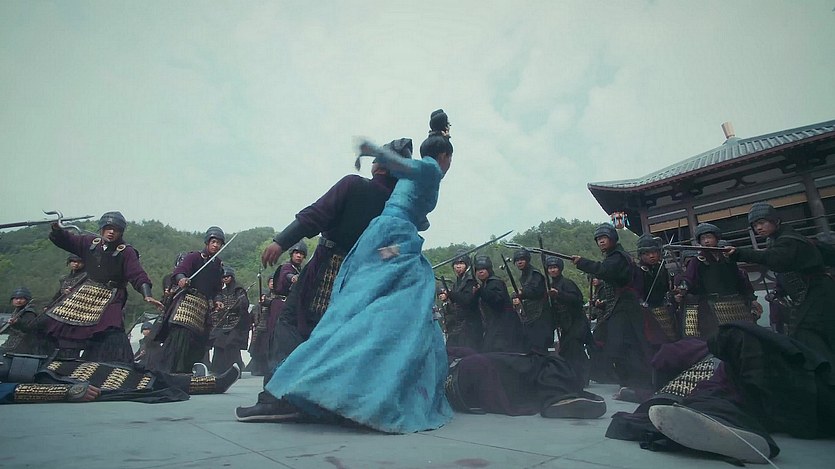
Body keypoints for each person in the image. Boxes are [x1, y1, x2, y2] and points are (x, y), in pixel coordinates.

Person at [262, 113, 455, 433]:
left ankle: (283, 392)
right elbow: (414, 213)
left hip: (359, 258)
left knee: (310, 324)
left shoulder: (371, 185)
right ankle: (333, 392)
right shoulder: (419, 177)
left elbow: (317, 215)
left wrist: (282, 240)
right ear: (445, 156)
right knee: (370, 324)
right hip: (384, 251)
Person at [235, 136, 410, 422]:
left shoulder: (355, 186)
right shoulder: (398, 211)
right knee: (334, 339)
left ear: (380, 166)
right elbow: (394, 251)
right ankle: (318, 400)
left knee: (291, 324)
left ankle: (277, 398)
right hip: (363, 282)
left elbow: (315, 215)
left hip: (328, 269)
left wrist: (282, 241)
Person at [44, 211, 163, 363]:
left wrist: (147, 294)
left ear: (121, 232)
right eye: (108, 228)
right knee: (61, 323)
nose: (111, 232)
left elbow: (137, 274)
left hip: (112, 295)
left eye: (116, 229)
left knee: (110, 329)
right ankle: (64, 361)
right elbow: (67, 240)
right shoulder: (89, 242)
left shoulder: (127, 252)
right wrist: (56, 229)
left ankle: (111, 365)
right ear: (101, 228)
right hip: (86, 292)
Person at [727, 202, 835, 364]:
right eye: (755, 225)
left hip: (819, 293)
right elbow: (785, 272)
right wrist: (779, 291)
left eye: (762, 222)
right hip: (810, 295)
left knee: (811, 334)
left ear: (776, 221)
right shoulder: (778, 241)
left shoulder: (789, 240)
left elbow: (775, 259)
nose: (758, 228)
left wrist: (740, 253)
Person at [571, 223, 653, 402]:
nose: (601, 242)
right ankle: (629, 384)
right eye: (598, 239)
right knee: (621, 346)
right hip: (622, 306)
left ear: (613, 239)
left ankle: (635, 385)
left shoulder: (618, 257)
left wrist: (582, 262)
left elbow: (604, 270)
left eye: (604, 238)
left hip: (626, 307)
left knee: (624, 346)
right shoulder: (617, 257)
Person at [0, 353, 241, 404]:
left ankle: (211, 383)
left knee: (136, 372)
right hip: (42, 379)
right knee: (134, 385)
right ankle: (211, 384)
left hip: (52, 363)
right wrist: (65, 392)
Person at [445, 346, 606, 419]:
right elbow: (464, 351)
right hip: (465, 370)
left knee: (519, 376)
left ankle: (556, 397)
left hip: (459, 386)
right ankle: (555, 397)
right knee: (534, 364)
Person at [157, 226, 225, 373]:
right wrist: (182, 279)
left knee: (196, 343)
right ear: (207, 242)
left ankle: (187, 372)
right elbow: (179, 272)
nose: (216, 245)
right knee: (180, 338)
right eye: (213, 242)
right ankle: (170, 370)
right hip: (187, 303)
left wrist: (218, 300)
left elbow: (217, 289)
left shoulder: (218, 265)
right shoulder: (193, 257)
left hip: (202, 308)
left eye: (219, 243)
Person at [680, 223, 758, 338]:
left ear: (716, 238)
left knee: (745, 334)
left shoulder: (728, 258)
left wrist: (751, 299)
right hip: (713, 305)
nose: (706, 241)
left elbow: (741, 280)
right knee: (722, 337)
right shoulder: (697, 261)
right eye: (703, 238)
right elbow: (689, 278)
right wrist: (683, 287)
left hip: (737, 303)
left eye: (709, 237)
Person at [544, 256, 590, 386]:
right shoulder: (551, 285)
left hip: (576, 321)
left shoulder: (567, 283)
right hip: (565, 324)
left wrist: (559, 295)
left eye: (555, 267)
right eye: (550, 268)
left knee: (576, 350)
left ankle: (582, 379)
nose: (552, 270)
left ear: (560, 269)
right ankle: (572, 378)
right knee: (566, 351)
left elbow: (577, 300)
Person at [474, 255, 525, 353]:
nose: (480, 272)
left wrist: (481, 291)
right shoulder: (485, 284)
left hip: (505, 326)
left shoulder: (495, 282)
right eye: (478, 270)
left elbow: (497, 301)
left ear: (489, 269)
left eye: (483, 269)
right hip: (494, 324)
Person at [634, 234, 678, 345]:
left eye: (654, 252)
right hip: (646, 310)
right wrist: (640, 302)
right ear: (641, 255)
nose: (652, 256)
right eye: (647, 253)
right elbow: (635, 291)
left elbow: (666, 288)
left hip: (664, 307)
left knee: (672, 336)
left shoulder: (661, 267)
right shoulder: (637, 271)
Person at [209, 266, 251, 373]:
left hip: (237, 323)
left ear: (232, 277)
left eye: (228, 276)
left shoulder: (239, 290)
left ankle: (234, 369)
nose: (225, 278)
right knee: (218, 343)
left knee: (231, 344)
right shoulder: (221, 292)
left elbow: (244, 304)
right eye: (223, 277)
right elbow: (217, 298)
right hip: (224, 322)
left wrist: (236, 306)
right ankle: (218, 370)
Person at [437, 250, 482, 350]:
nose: (458, 266)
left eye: (461, 263)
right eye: (456, 264)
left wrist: (451, 294)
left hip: (471, 324)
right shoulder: (457, 283)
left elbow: (467, 300)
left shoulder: (470, 281)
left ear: (466, 265)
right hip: (458, 325)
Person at [510, 248, 551, 353]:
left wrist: (522, 292)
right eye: (517, 260)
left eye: (522, 259)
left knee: (540, 346)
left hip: (540, 314)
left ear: (527, 260)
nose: (519, 262)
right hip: (531, 314)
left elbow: (535, 291)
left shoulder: (535, 274)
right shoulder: (524, 276)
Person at [1, 287, 55, 355]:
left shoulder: (29, 312)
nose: (18, 301)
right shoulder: (18, 310)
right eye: (16, 298)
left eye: (21, 298)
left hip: (24, 343)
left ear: (27, 300)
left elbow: (29, 326)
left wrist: (17, 322)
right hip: (16, 341)